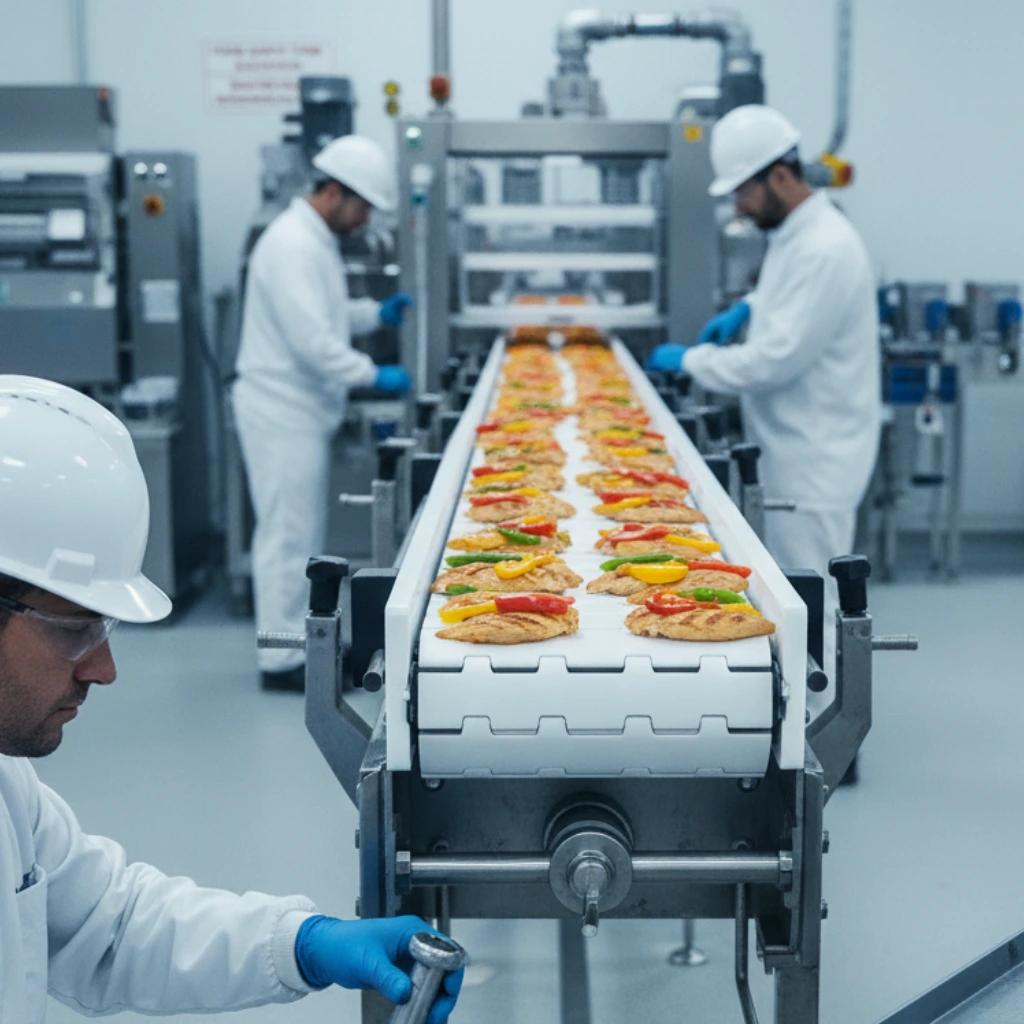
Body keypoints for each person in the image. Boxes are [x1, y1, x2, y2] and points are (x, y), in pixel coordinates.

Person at [0, 376, 462, 1022]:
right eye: (76, 631)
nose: (104, 670)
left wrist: (302, 945)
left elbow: (110, 924)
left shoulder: (8, 788)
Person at [648, 104, 881, 676]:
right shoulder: (796, 235)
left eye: (743, 193)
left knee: (813, 606)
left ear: (780, 175)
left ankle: (831, 742)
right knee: (793, 596)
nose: (739, 208)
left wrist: (695, 361)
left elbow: (775, 360)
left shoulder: (824, 245)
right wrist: (748, 308)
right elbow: (787, 303)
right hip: (792, 445)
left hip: (815, 458)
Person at [234, 134, 414, 691]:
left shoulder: (312, 241)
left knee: (298, 530)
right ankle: (283, 661)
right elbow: (312, 340)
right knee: (287, 535)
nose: (363, 221)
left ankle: (299, 646)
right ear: (335, 192)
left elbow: (327, 316)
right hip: (281, 408)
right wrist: (370, 373)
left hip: (302, 409)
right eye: (361, 207)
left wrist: (374, 315)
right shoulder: (292, 244)